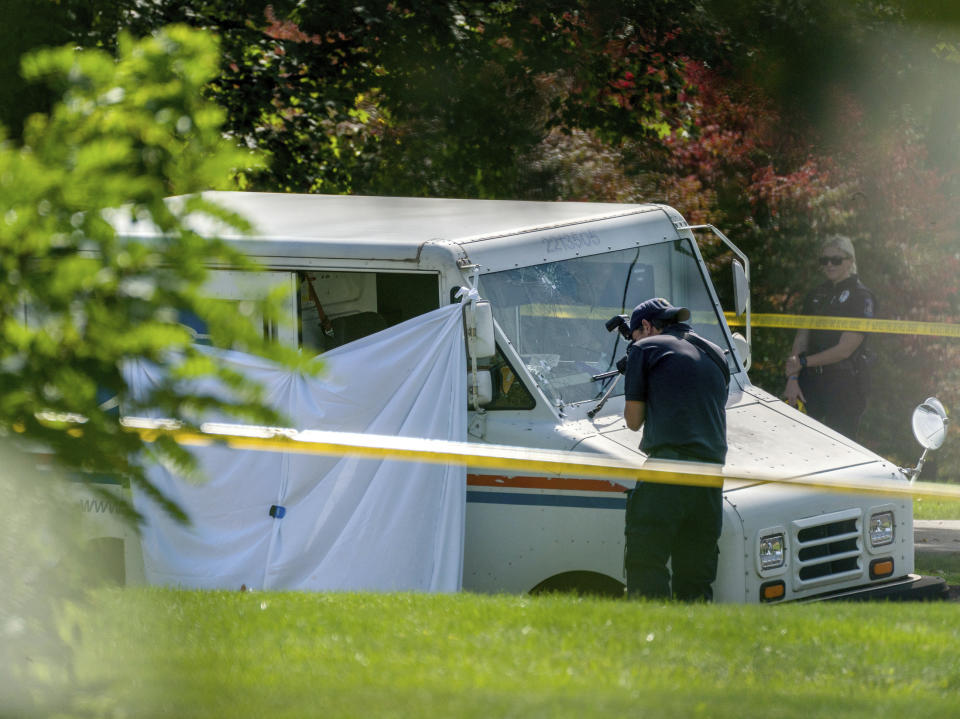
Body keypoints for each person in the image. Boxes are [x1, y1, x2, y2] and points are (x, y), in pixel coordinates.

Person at [620, 297, 729, 601]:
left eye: (634, 335)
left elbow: (633, 421)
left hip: (668, 469)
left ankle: (651, 638)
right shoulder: (715, 352)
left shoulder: (645, 348)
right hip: (710, 476)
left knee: (646, 560)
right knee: (696, 575)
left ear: (645, 326)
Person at [783, 235, 875, 438]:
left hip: (844, 384)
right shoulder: (816, 294)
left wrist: (803, 362)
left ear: (850, 261)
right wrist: (793, 377)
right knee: (800, 442)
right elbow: (801, 337)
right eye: (824, 260)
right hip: (809, 381)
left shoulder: (861, 296)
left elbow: (845, 349)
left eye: (836, 260)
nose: (829, 265)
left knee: (840, 451)